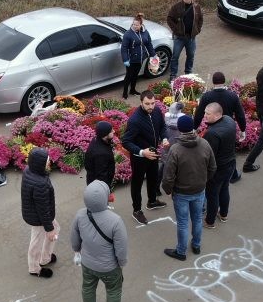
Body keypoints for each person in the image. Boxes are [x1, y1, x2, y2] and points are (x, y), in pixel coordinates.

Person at [71, 180, 129, 302]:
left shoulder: (80, 215)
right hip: (109, 267)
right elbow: (121, 247)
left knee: (88, 287)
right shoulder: (115, 221)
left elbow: (74, 238)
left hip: (87, 264)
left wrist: (76, 251)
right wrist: (122, 262)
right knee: (113, 290)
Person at [161, 115, 216, 261]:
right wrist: (203, 181)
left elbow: (168, 176)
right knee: (197, 219)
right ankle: (196, 245)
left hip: (181, 193)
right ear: (193, 127)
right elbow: (212, 167)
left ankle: (181, 251)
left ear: (179, 129)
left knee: (183, 223)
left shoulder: (176, 149)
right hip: (199, 190)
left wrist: (168, 190)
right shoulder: (204, 144)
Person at [121, 91, 168, 225]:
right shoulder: (135, 120)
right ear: (141, 102)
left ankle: (152, 201)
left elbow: (162, 127)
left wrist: (164, 138)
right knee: (137, 183)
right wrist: (142, 152)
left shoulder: (157, 111)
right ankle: (137, 210)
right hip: (139, 157)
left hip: (153, 153)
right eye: (147, 104)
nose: (151, 106)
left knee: (153, 177)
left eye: (153, 103)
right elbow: (126, 141)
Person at [21, 147, 58, 278]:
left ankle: (45, 257)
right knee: (37, 242)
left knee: (54, 229)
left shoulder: (29, 170)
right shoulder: (40, 183)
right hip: (38, 218)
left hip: (34, 213)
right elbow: (43, 209)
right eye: (47, 161)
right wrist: (49, 228)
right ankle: (34, 268)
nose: (49, 162)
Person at [201, 103, 236, 229]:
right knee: (224, 188)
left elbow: (208, 156)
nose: (204, 116)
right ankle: (223, 214)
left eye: (207, 114)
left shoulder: (212, 133)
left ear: (217, 115)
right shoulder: (229, 120)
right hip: (231, 163)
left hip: (218, 168)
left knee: (212, 194)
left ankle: (210, 221)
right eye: (205, 112)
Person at [166, 0, 204, 79]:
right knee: (175, 56)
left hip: (191, 37)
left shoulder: (196, 7)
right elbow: (169, 18)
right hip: (179, 38)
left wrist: (198, 29)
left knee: (191, 56)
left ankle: (188, 73)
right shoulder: (176, 7)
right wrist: (176, 30)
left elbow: (200, 19)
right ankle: (173, 75)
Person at [120, 13, 159, 99]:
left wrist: (153, 55)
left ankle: (132, 90)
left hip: (140, 58)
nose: (135, 26)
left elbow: (149, 44)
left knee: (135, 75)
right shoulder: (128, 34)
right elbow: (124, 48)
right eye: (133, 24)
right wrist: (125, 59)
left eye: (137, 25)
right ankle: (125, 93)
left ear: (141, 25)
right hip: (131, 59)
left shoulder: (145, 32)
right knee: (129, 76)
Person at [84, 121, 116, 187]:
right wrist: (106, 189)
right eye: (111, 131)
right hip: (99, 187)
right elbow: (102, 176)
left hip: (92, 180)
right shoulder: (101, 154)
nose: (114, 131)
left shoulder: (96, 139)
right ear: (105, 134)